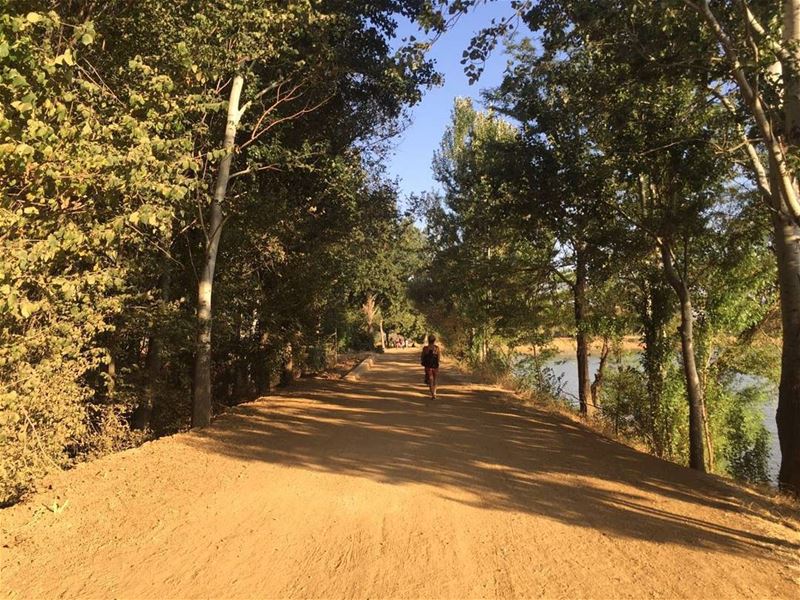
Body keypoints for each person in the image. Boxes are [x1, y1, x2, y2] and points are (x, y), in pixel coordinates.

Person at [420, 335, 440, 399]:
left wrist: (423, 362)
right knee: (435, 379)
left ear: (428, 340)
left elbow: (422, 357)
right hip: (435, 366)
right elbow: (438, 358)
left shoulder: (425, 348)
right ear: (434, 340)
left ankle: (432, 395)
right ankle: (435, 393)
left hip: (428, 366)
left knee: (430, 379)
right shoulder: (437, 348)